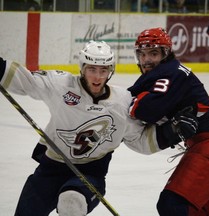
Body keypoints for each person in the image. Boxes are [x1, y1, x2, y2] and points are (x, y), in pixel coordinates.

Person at [0, 41, 197, 216]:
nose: (97, 76)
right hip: (50, 168)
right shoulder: (62, 85)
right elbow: (27, 81)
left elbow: (142, 141)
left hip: (90, 173)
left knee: (72, 203)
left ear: (110, 71)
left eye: (103, 70)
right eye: (92, 69)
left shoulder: (121, 102)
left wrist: (172, 131)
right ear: (82, 68)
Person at [128, 27, 209, 216]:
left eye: (153, 53)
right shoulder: (164, 72)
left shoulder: (170, 74)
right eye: (142, 54)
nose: (146, 60)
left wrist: (133, 104)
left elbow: (147, 110)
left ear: (166, 53)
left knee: (172, 205)